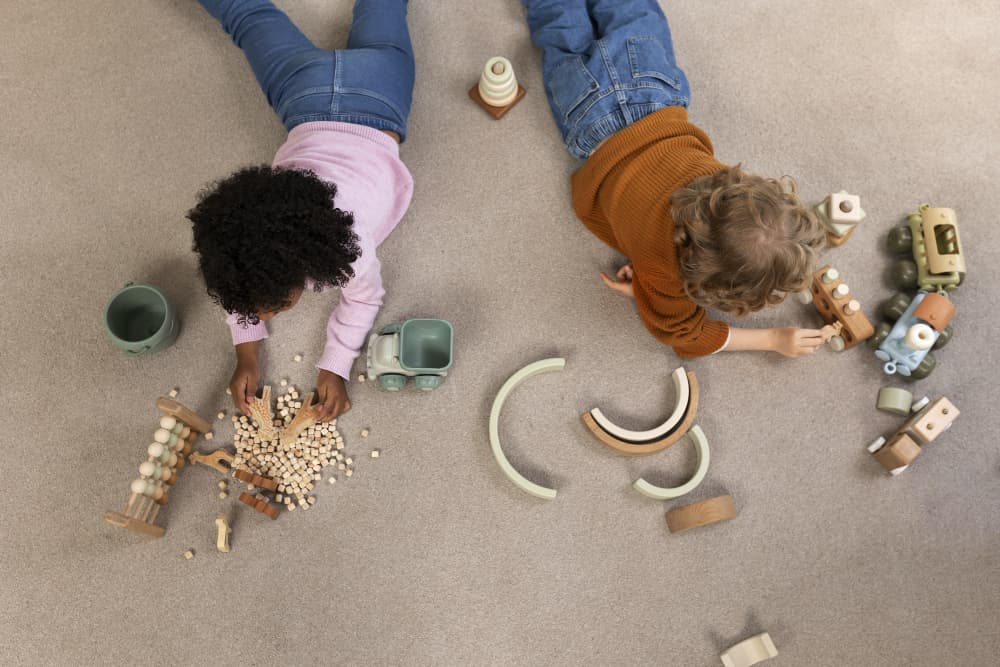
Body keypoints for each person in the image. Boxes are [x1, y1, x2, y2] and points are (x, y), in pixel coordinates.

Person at [524, 0, 829, 358]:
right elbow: (686, 335)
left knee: (631, 11)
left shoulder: (728, 182)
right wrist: (773, 339)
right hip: (587, 115)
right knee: (560, 25)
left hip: (653, 86)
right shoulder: (665, 275)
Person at [188, 0, 415, 420]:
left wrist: (336, 364)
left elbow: (365, 299)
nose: (263, 316)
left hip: (379, 91)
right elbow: (238, 268)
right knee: (247, 16)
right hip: (306, 91)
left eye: (274, 308)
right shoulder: (266, 214)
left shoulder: (351, 248)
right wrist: (247, 354)